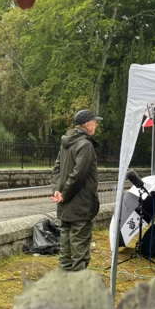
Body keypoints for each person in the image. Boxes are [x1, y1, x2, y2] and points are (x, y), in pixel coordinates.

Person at [51, 109, 102, 271]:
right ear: (87, 125)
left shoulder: (66, 142)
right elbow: (78, 175)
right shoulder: (85, 145)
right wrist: (64, 194)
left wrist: (58, 191)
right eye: (95, 122)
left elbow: (57, 169)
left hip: (65, 206)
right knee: (79, 251)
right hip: (80, 206)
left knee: (65, 250)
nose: (96, 125)